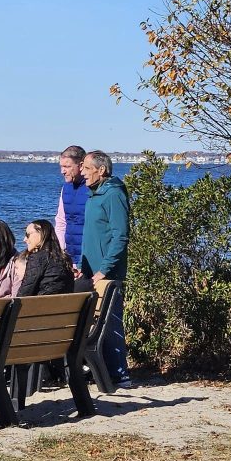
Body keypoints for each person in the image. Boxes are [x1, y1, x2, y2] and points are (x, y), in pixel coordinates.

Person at [76, 150, 131, 386]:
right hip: (90, 270)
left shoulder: (114, 194)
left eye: (87, 168)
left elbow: (120, 236)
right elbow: (93, 235)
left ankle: (120, 374)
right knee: (93, 321)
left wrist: (104, 269)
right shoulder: (94, 194)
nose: (82, 172)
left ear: (101, 170)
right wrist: (83, 267)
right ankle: (100, 371)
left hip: (107, 273)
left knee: (110, 322)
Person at [15, 219, 75, 297]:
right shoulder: (66, 258)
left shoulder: (37, 258)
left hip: (41, 307)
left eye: (28, 235)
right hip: (65, 307)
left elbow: (25, 292)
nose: (25, 239)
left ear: (41, 233)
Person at [54, 145, 89, 275]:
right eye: (61, 167)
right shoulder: (66, 188)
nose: (62, 171)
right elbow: (61, 222)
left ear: (80, 166)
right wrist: (61, 253)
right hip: (69, 257)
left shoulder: (92, 188)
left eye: (67, 167)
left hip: (88, 258)